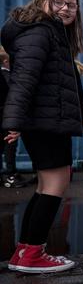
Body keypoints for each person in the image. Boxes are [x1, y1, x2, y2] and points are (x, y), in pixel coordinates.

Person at [2, 0, 83, 273]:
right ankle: (32, 255)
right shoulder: (40, 32)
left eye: (71, 6)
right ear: (43, 2)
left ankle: (24, 251)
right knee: (54, 186)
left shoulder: (50, 33)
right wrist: (13, 122)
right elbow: (24, 80)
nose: (65, 8)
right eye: (59, 2)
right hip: (46, 122)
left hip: (48, 120)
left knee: (44, 187)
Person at [0, 49, 26, 189]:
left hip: (5, 115)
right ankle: (10, 174)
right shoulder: (6, 76)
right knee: (10, 146)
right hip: (7, 116)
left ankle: (10, 173)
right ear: (6, 61)